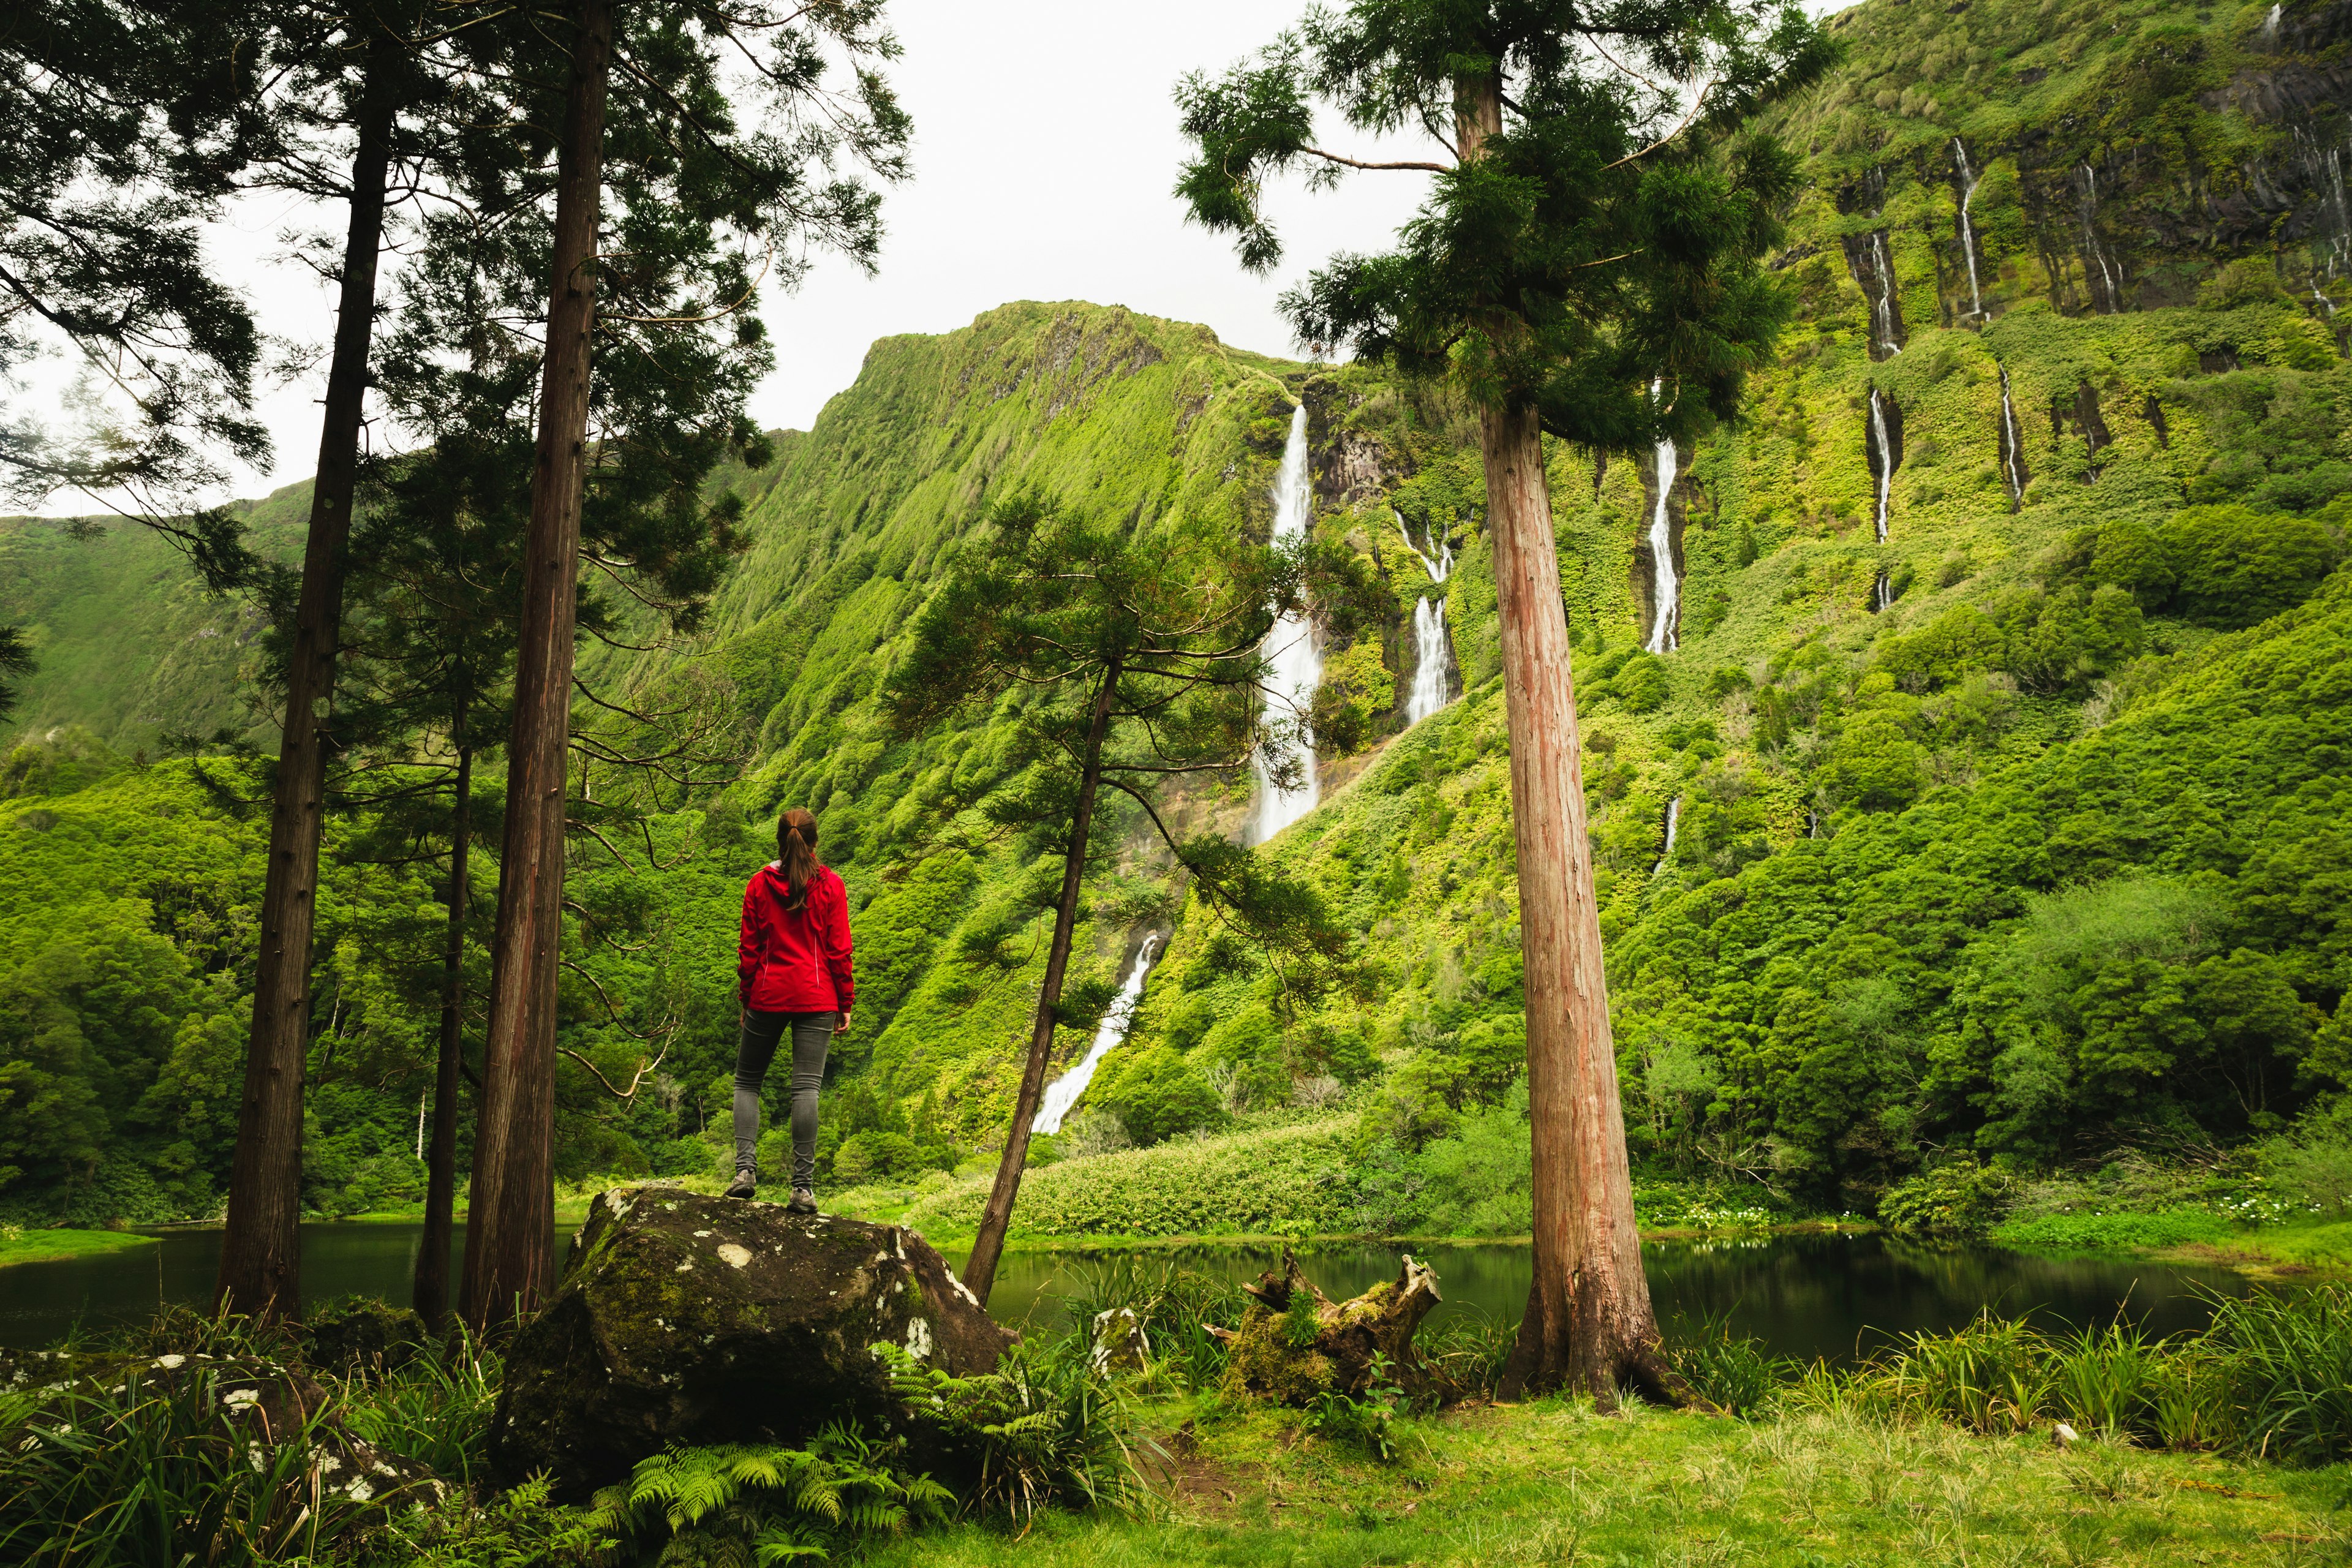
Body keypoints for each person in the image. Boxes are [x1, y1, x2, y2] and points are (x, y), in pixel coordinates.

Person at [730, 807, 853, 1210]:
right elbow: (839, 950)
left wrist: (747, 997)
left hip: (768, 994)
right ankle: (802, 1189)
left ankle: (745, 1171)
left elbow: (749, 951)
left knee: (748, 1082)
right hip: (817, 996)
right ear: (815, 842)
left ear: (779, 842)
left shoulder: (758, 886)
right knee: (805, 1089)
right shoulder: (831, 886)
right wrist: (845, 1000)